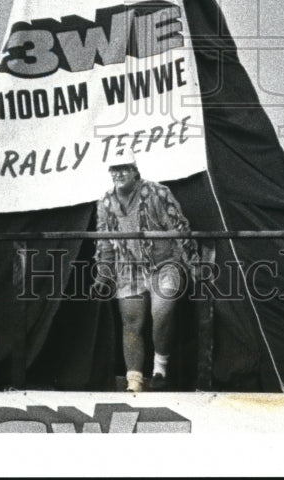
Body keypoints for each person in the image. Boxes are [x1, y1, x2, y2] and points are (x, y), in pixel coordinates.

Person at [94, 145, 199, 392]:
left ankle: (160, 368)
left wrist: (194, 264)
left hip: (164, 264)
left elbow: (179, 227)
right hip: (128, 269)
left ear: (134, 170)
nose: (118, 174)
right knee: (132, 322)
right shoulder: (105, 203)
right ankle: (135, 381)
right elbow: (104, 243)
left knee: (162, 312)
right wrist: (104, 273)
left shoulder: (158, 193)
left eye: (123, 169)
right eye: (114, 169)